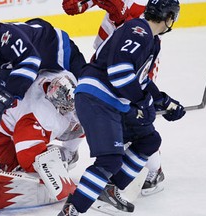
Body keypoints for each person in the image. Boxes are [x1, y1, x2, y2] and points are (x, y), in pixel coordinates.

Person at [58, 0, 185, 215]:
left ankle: (109, 187)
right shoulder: (137, 31)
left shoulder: (150, 39)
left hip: (112, 101)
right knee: (109, 159)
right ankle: (72, 210)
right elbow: (119, 73)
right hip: (97, 97)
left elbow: (141, 81)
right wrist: (142, 102)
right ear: (169, 17)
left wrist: (164, 102)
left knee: (149, 140)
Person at [0, 6, 86, 173]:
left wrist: (5, 95)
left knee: (83, 101)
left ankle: (70, 152)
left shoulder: (7, 37)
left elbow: (30, 62)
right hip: (17, 58)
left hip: (57, 50)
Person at [0, 69, 85, 213]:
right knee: (24, 168)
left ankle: (69, 153)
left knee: (83, 125)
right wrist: (47, 167)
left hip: (7, 116)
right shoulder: (39, 115)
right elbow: (28, 156)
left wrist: (65, 154)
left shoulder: (61, 78)